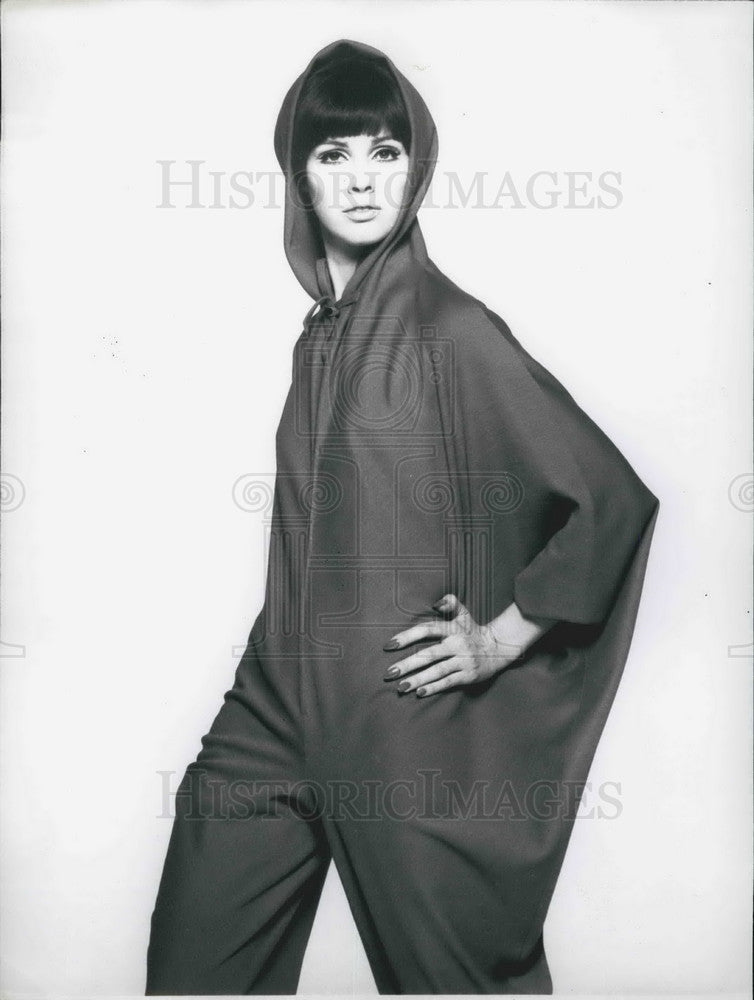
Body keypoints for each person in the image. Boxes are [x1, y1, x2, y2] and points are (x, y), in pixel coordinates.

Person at [146, 39, 660, 995]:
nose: (361, 180)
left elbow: (611, 500)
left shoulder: (447, 328)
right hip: (273, 711)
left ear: (414, 166)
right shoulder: (317, 340)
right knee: (194, 970)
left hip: (399, 728)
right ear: (297, 175)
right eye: (333, 154)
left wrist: (503, 640)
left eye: (384, 152)